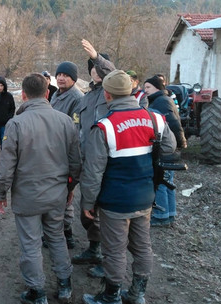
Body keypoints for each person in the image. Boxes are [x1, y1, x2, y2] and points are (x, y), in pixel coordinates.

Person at [80, 70, 176, 304]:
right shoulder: (155, 119)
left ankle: (111, 297)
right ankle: (137, 294)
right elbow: (170, 149)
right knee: (142, 246)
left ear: (107, 95)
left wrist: (88, 203)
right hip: (144, 198)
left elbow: (93, 172)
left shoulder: (104, 127)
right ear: (133, 92)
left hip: (115, 202)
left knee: (114, 250)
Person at [0, 73, 82, 304]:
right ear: (47, 93)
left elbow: (6, 166)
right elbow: (76, 162)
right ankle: (65, 286)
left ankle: (37, 292)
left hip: (27, 198)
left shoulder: (15, 124)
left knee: (31, 244)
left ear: (23, 95)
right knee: (56, 237)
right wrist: (70, 187)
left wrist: (0, 193)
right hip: (56, 196)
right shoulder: (65, 121)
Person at [71, 39, 115, 279]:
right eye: (91, 66)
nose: (94, 70)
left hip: (107, 163)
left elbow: (112, 72)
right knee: (86, 210)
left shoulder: (112, 94)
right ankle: (94, 249)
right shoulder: (87, 97)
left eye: (97, 67)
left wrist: (98, 56)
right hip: (87, 161)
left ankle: (109, 261)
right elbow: (79, 126)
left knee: (105, 213)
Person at [48, 60, 84, 249]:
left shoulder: (76, 98)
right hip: (52, 150)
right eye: (59, 75)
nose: (61, 78)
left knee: (66, 193)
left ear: (73, 79)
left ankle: (66, 233)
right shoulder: (56, 94)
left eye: (66, 76)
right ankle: (56, 230)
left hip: (65, 152)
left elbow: (75, 130)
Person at [143, 75, 187, 227]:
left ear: (157, 87)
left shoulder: (160, 102)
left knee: (161, 181)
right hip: (170, 148)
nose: (145, 90)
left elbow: (174, 124)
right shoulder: (163, 100)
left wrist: (179, 143)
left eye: (148, 87)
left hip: (166, 148)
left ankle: (161, 215)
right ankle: (170, 213)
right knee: (168, 182)